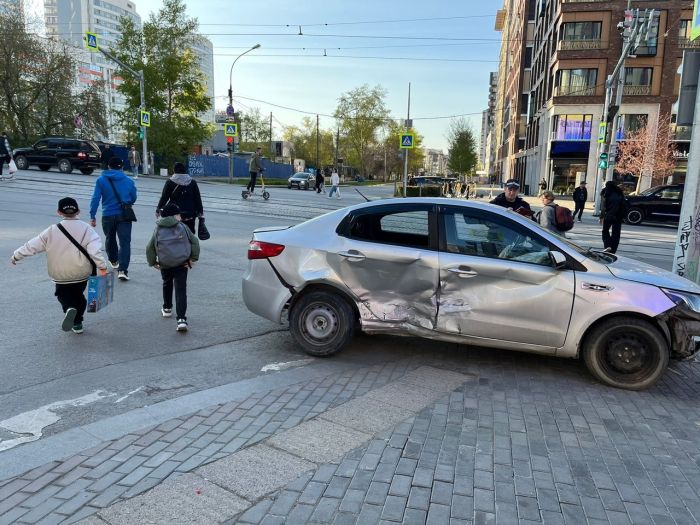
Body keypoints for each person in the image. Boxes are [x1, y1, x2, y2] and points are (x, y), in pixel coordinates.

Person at [10, 197, 108, 334]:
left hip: (60, 272)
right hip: (81, 271)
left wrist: (17, 255)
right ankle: (78, 322)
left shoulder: (51, 231)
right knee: (78, 294)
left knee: (63, 294)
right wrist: (102, 267)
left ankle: (69, 309)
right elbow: (94, 251)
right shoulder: (87, 229)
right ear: (78, 211)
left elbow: (32, 245)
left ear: (59, 212)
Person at [146, 203, 200, 332]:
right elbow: (194, 241)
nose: (180, 216)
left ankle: (167, 308)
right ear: (174, 215)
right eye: (178, 214)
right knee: (181, 289)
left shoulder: (158, 228)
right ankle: (181, 319)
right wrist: (193, 258)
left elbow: (150, 247)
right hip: (182, 263)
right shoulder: (182, 227)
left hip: (165, 263)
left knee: (167, 283)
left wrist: (153, 262)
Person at [89, 156, 137, 281]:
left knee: (110, 239)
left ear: (109, 166)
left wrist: (92, 215)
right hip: (124, 215)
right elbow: (133, 198)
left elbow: (95, 199)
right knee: (125, 242)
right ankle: (123, 270)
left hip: (108, 215)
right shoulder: (129, 181)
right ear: (121, 167)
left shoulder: (101, 180)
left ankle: (113, 260)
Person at [156, 162, 203, 234]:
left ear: (174, 170)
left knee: (173, 233)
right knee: (189, 233)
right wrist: (200, 211)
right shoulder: (192, 182)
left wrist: (158, 209)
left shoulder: (170, 182)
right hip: (190, 213)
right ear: (184, 170)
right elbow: (197, 198)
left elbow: (164, 197)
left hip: (174, 213)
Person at [600, 180, 626, 254]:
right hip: (618, 216)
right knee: (616, 233)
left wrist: (601, 217)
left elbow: (603, 207)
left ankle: (608, 246)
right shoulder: (619, 193)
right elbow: (624, 205)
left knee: (605, 231)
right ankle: (613, 250)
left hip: (608, 215)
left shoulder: (605, 193)